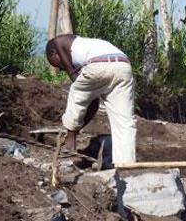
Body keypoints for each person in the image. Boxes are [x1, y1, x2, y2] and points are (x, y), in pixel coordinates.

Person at [45, 35, 136, 166]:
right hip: (123, 66)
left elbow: (56, 41)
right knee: (124, 121)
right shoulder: (88, 48)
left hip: (100, 64)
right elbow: (93, 104)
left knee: (76, 93)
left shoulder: (60, 42)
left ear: (53, 52)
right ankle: (126, 164)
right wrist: (78, 127)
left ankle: (69, 145)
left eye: (57, 65)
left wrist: (71, 72)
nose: (61, 68)